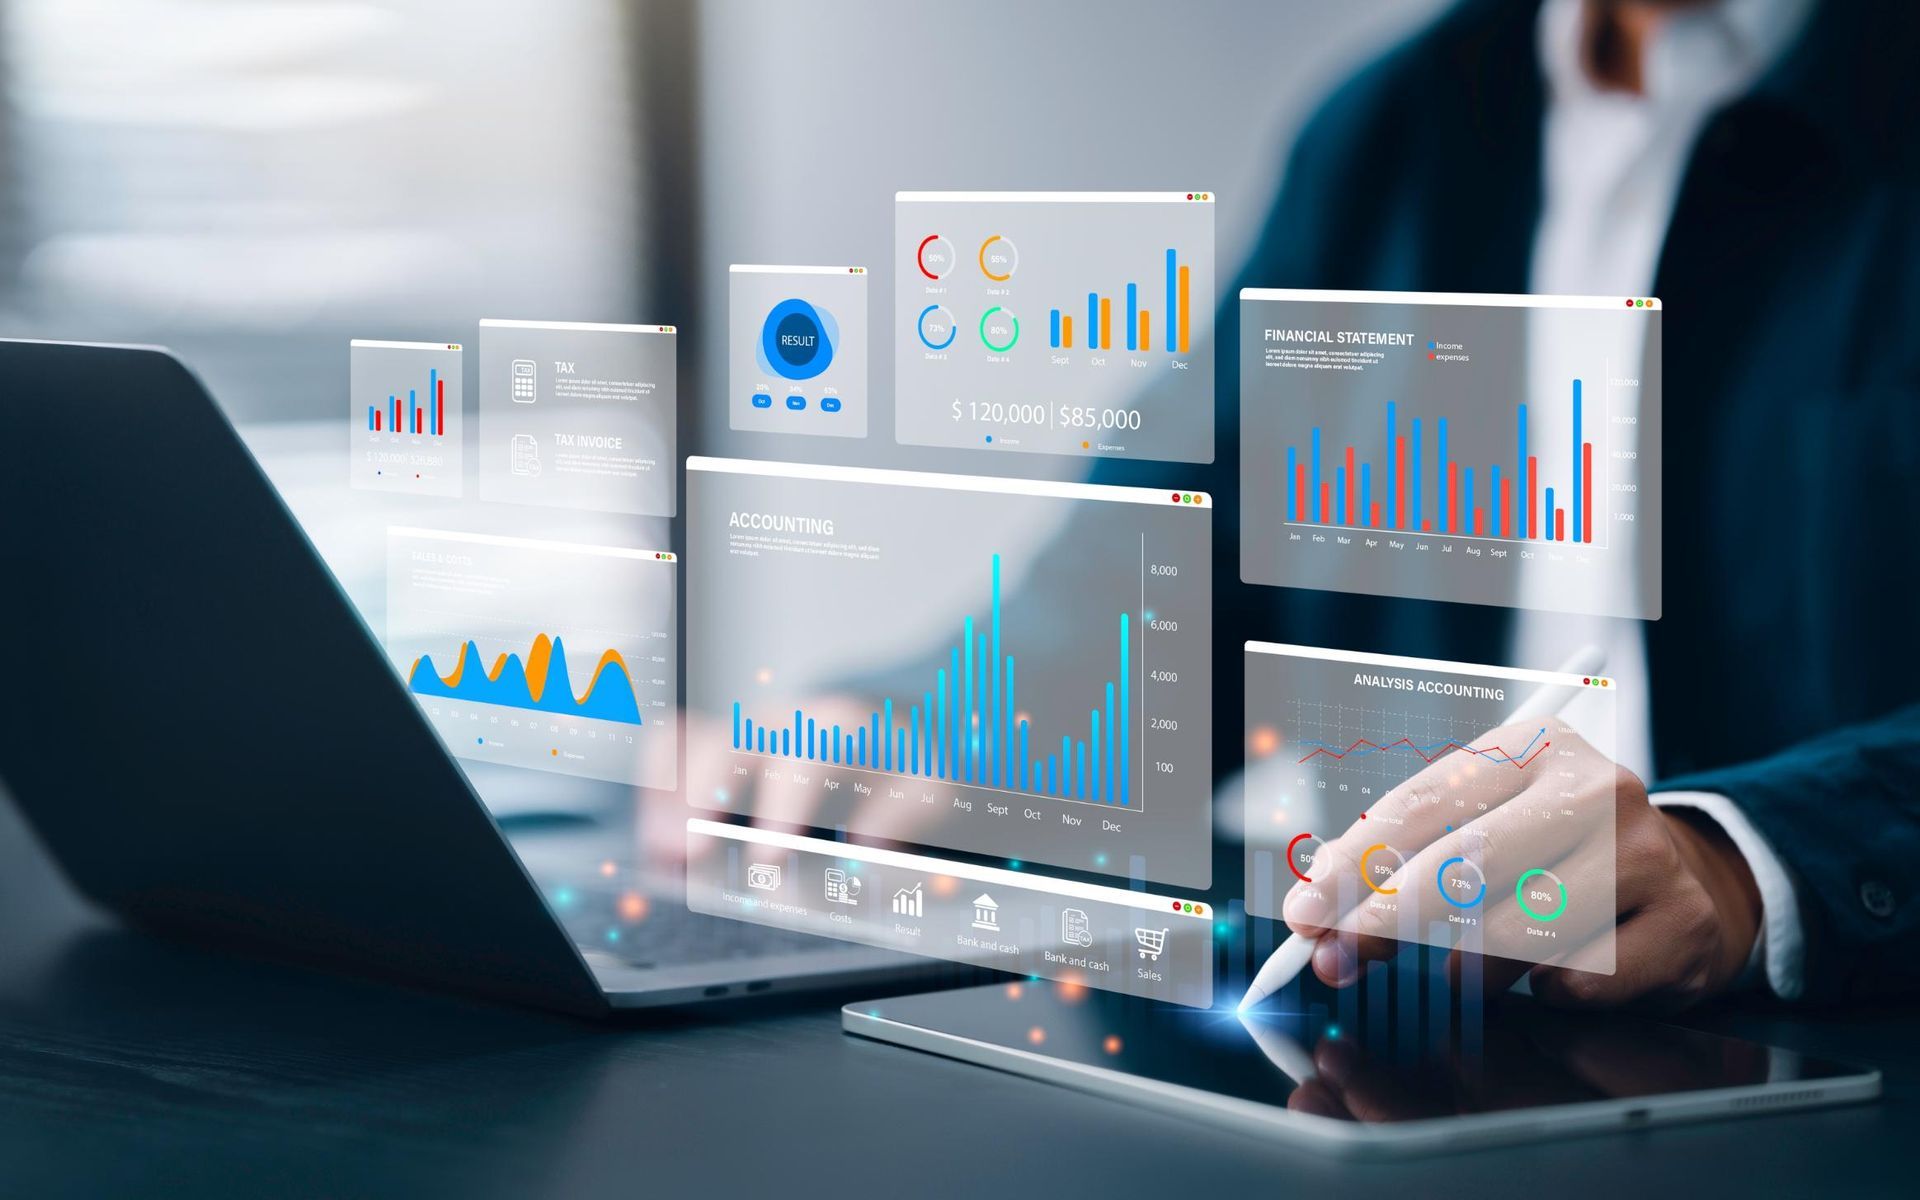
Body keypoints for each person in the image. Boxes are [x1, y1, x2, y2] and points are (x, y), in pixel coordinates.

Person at [1159, 0, 1920, 1008]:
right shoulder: (1396, 126)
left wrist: (1745, 855)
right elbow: (1178, 548)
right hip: (1426, 1025)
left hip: (1832, 1040)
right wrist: (974, 740)